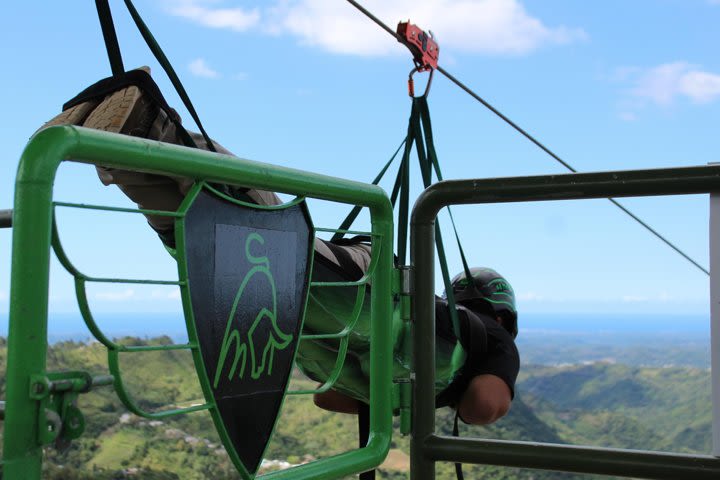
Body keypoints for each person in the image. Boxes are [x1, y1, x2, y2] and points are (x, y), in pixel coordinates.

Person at [41, 69, 520, 426]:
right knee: (269, 250)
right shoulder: (495, 343)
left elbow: (327, 398)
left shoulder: (452, 329)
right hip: (374, 295)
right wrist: (418, 401)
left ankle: (122, 148)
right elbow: (484, 405)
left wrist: (387, 389)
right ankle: (152, 124)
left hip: (353, 310)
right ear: (502, 315)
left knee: (212, 247)